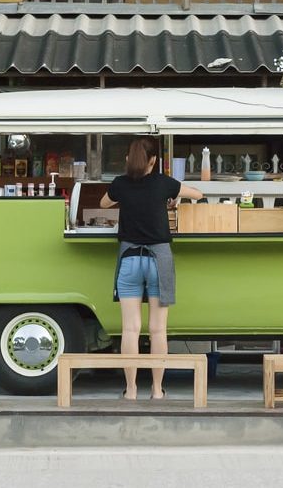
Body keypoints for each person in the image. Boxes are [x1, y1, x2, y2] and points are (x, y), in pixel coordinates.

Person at [100, 136, 203, 400]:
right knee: (158, 330)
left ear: (127, 159)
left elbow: (104, 204)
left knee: (130, 329)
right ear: (154, 161)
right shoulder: (163, 183)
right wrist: (173, 198)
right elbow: (198, 194)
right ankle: (157, 390)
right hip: (159, 259)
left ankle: (131, 390)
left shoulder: (120, 184)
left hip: (129, 260)